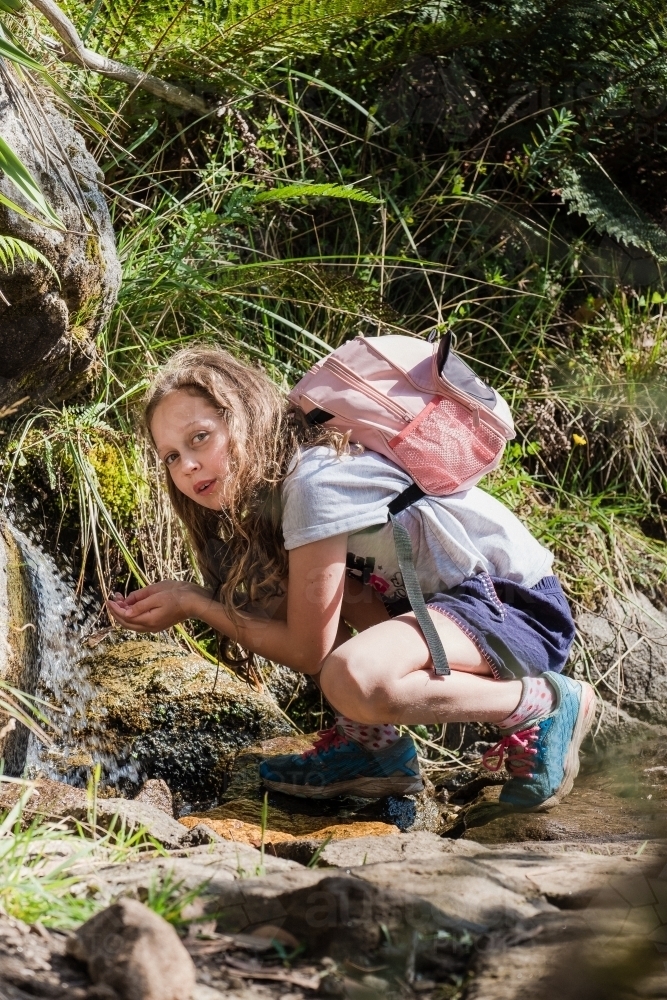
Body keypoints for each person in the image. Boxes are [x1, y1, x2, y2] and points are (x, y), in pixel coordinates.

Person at [108, 345, 596, 810]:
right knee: (262, 590)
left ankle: (542, 703)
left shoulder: (312, 484)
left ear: (244, 418)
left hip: (514, 606)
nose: (187, 465)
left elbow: (309, 650)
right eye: (170, 456)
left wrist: (195, 603)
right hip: (447, 610)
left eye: (199, 438)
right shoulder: (278, 496)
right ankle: (372, 748)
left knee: (353, 676)